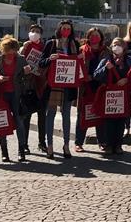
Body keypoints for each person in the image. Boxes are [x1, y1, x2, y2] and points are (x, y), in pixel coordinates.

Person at [38, 20, 80, 159]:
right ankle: (49, 145)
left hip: (69, 85)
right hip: (53, 86)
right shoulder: (51, 44)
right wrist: (50, 58)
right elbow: (41, 63)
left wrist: (80, 58)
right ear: (59, 29)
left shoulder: (75, 44)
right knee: (50, 114)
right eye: (64, 28)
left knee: (66, 115)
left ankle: (66, 145)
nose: (66, 30)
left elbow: (78, 64)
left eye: (68, 28)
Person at [0, 36, 30, 162]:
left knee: (19, 122)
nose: (12, 53)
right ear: (4, 49)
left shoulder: (21, 59)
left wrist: (28, 73)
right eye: (9, 50)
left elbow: (27, 79)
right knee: (2, 122)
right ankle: (4, 151)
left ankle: (21, 150)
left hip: (16, 95)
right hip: (1, 95)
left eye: (14, 50)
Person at [93, 38, 131, 156]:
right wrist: (106, 68)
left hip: (124, 96)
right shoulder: (106, 60)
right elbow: (96, 75)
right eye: (115, 44)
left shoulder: (130, 61)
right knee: (109, 121)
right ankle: (109, 145)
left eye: (120, 44)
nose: (117, 46)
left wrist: (127, 79)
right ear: (111, 47)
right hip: (109, 96)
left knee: (121, 120)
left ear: (124, 47)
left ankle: (118, 145)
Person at [75, 27, 108, 153]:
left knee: (100, 114)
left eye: (97, 35)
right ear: (88, 37)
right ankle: (78, 142)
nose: (95, 38)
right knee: (82, 114)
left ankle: (102, 141)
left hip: (100, 86)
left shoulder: (106, 51)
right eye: (92, 35)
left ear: (101, 37)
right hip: (85, 86)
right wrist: (84, 77)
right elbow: (77, 66)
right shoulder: (82, 50)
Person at [20, 23, 47, 153]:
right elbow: (18, 62)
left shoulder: (44, 47)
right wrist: (23, 49)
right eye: (32, 31)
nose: (34, 33)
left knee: (42, 116)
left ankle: (42, 143)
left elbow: (46, 63)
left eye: (37, 31)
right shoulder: (25, 46)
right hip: (27, 85)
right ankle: (24, 144)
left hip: (40, 85)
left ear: (41, 34)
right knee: (26, 116)